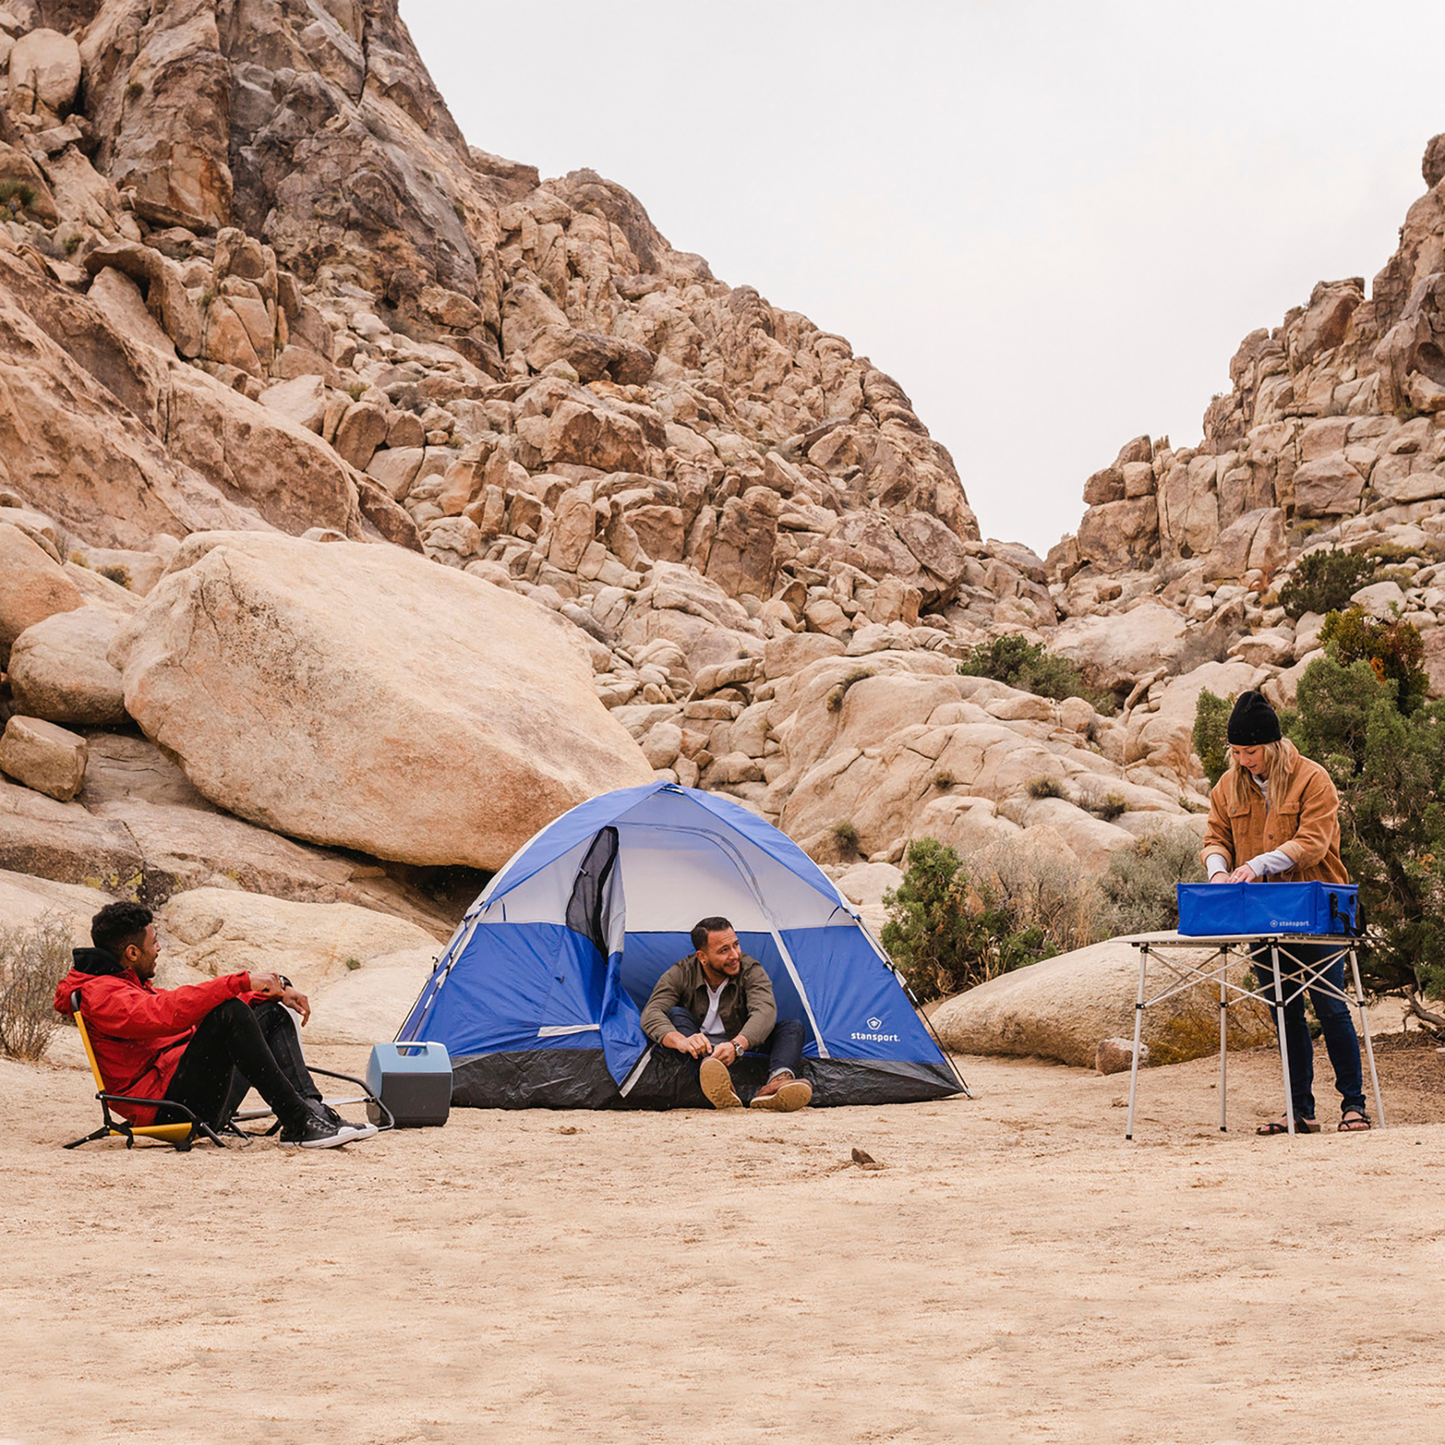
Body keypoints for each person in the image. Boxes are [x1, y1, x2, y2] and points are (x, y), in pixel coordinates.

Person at [55, 900, 375, 1149]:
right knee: (230, 1011)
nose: (159, 949)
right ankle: (298, 1120)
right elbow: (166, 1012)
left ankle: (310, 1114)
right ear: (132, 952)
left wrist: (271, 992)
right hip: (166, 1109)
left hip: (185, 1095)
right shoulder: (102, 995)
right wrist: (242, 982)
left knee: (269, 1013)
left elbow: (190, 1015)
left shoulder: (125, 984)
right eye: (154, 942)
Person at [1202, 690, 1370, 1135]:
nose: (1243, 760)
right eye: (1236, 752)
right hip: (1259, 913)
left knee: (1331, 1006)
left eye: (1250, 751)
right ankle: (1300, 1111)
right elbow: (1215, 838)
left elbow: (1314, 842)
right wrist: (1218, 872)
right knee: (1284, 1009)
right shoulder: (1227, 785)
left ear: (1272, 745)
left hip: (1314, 907)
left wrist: (1256, 865)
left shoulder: (1312, 779)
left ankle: (1354, 1106)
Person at [640, 916, 812, 1111]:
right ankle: (717, 1085)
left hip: (740, 1046)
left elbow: (765, 1012)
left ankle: (776, 1083)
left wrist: (736, 1045)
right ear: (702, 957)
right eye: (724, 950)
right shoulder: (682, 972)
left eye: (735, 945)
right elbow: (652, 1012)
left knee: (792, 1027)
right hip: (701, 1053)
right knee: (676, 1014)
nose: (734, 955)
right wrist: (681, 1041)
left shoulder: (750, 970)